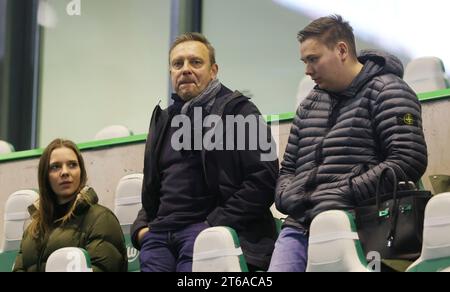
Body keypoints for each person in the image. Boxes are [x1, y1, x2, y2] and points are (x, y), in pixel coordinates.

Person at [269, 15, 428, 272]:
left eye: (313, 59)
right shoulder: (309, 105)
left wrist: (342, 193)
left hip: (360, 221)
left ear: (341, 50)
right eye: (305, 61)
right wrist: (289, 197)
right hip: (300, 225)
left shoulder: (389, 90)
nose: (307, 70)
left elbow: (407, 160)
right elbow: (288, 170)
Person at [131, 32, 278, 272]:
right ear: (170, 74)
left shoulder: (240, 112)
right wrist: (141, 229)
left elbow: (264, 181)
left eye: (195, 62)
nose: (185, 69)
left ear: (213, 70)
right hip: (159, 236)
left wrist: (214, 225)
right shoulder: (164, 120)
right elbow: (153, 189)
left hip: (210, 233)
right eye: (178, 64)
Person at [13, 139, 127, 272]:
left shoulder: (101, 219)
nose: (65, 172)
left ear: (81, 172)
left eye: (72, 165)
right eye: (56, 166)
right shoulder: (32, 231)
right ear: (45, 176)